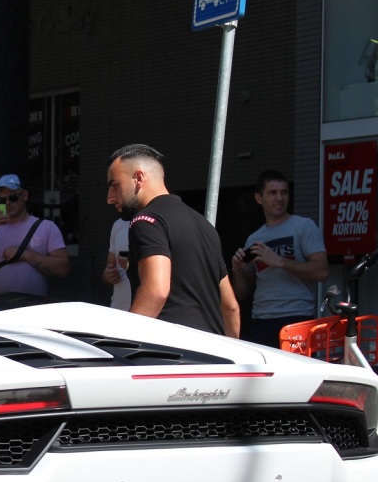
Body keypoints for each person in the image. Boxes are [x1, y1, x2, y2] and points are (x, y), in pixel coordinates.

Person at [106, 143, 240, 337]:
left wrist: (123, 342)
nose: (110, 198)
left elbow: (156, 291)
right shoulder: (204, 226)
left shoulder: (146, 221)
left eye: (114, 185)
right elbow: (231, 307)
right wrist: (234, 356)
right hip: (213, 353)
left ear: (139, 178)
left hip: (172, 354)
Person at [229, 170, 328, 347]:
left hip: (297, 317)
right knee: (268, 373)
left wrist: (280, 262)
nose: (280, 198)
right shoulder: (254, 238)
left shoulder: (303, 226)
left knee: (298, 374)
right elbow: (243, 292)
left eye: (284, 192)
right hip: (261, 318)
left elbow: (322, 271)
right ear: (259, 198)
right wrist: (238, 270)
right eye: (273, 193)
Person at [0, 174, 69, 297]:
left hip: (32, 304)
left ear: (25, 196)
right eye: (1, 199)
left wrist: (27, 255)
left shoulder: (46, 227)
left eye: (13, 197)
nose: (7, 203)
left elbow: (63, 268)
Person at [101, 217, 131, 310]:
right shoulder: (118, 224)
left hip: (148, 317)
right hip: (119, 311)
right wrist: (109, 275)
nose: (110, 201)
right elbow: (109, 268)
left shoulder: (159, 221)